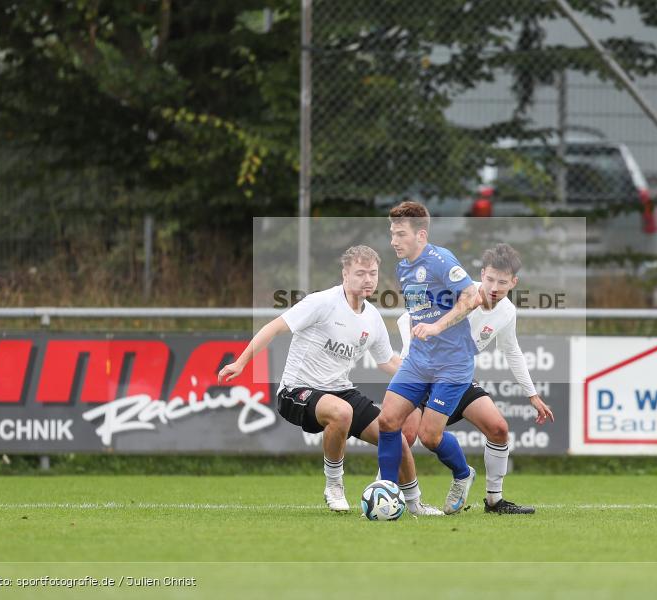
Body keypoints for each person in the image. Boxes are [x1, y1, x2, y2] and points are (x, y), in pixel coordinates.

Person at [218, 245, 442, 516]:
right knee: (342, 411)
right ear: (345, 274)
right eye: (360, 273)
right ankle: (334, 485)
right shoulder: (321, 302)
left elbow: (388, 362)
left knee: (396, 438)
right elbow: (273, 327)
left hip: (340, 391)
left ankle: (415, 504)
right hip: (297, 391)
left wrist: (424, 381)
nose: (368, 279)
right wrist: (241, 362)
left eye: (372, 273)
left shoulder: (372, 317)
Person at [398, 243, 554, 514]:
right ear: (481, 274)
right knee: (408, 435)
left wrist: (532, 394)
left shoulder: (507, 312)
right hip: (424, 373)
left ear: (513, 283)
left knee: (499, 429)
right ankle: (386, 490)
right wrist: (409, 355)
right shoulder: (458, 292)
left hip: (457, 377)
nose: (494, 287)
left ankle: (494, 501)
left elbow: (511, 351)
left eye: (502, 282)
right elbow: (405, 318)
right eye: (490, 279)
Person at [376, 201, 480, 514]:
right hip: (418, 361)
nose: (394, 241)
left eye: (401, 234)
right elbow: (420, 308)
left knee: (430, 436)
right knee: (388, 420)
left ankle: (463, 474)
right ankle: (388, 494)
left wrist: (437, 327)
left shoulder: (440, 259)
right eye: (392, 234)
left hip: (452, 364)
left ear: (421, 235)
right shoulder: (403, 267)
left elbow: (472, 297)